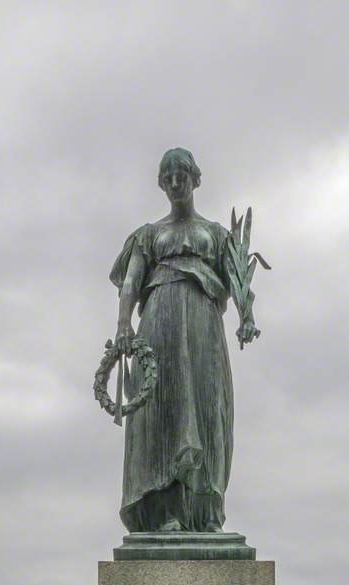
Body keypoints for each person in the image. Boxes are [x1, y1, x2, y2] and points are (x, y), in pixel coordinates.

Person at [111, 148, 259, 533]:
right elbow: (130, 281)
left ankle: (206, 514)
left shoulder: (215, 234)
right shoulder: (150, 234)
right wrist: (124, 323)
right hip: (159, 323)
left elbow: (238, 282)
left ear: (196, 178)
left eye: (182, 175)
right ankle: (165, 513)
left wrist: (247, 317)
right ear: (161, 184)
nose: (176, 183)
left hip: (203, 326)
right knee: (165, 413)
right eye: (168, 177)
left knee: (208, 409)